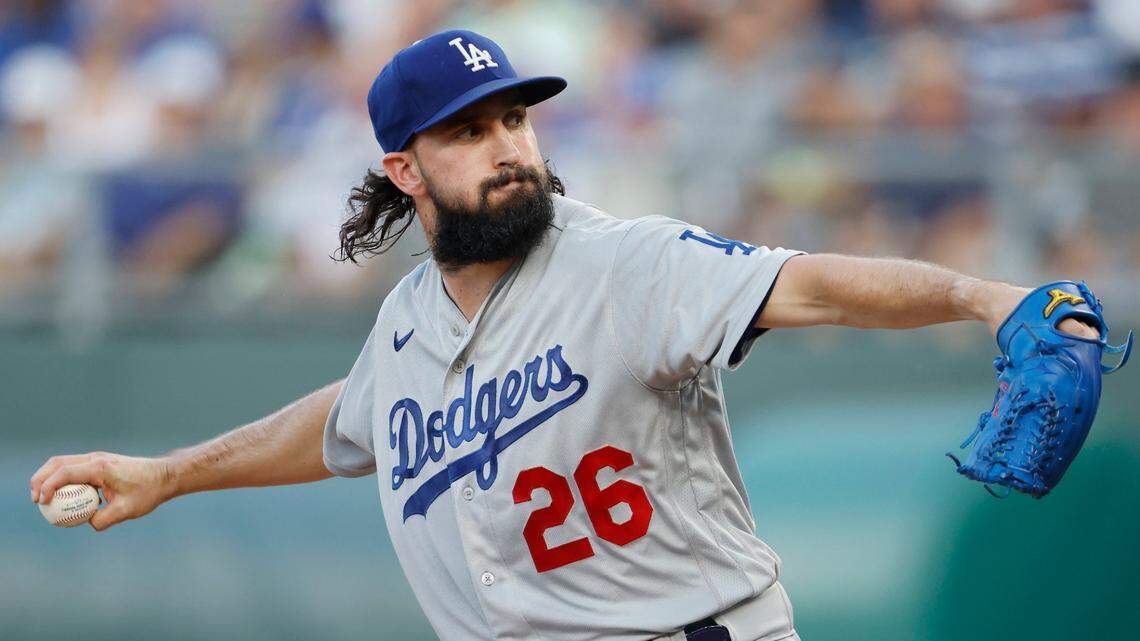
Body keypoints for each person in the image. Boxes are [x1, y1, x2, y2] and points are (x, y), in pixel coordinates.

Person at [29, 30, 1099, 641]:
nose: (507, 148)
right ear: (405, 168)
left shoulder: (622, 261)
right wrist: (168, 474)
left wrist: (981, 297)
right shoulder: (405, 326)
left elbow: (810, 283)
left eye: (515, 120)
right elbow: (352, 422)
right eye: (468, 130)